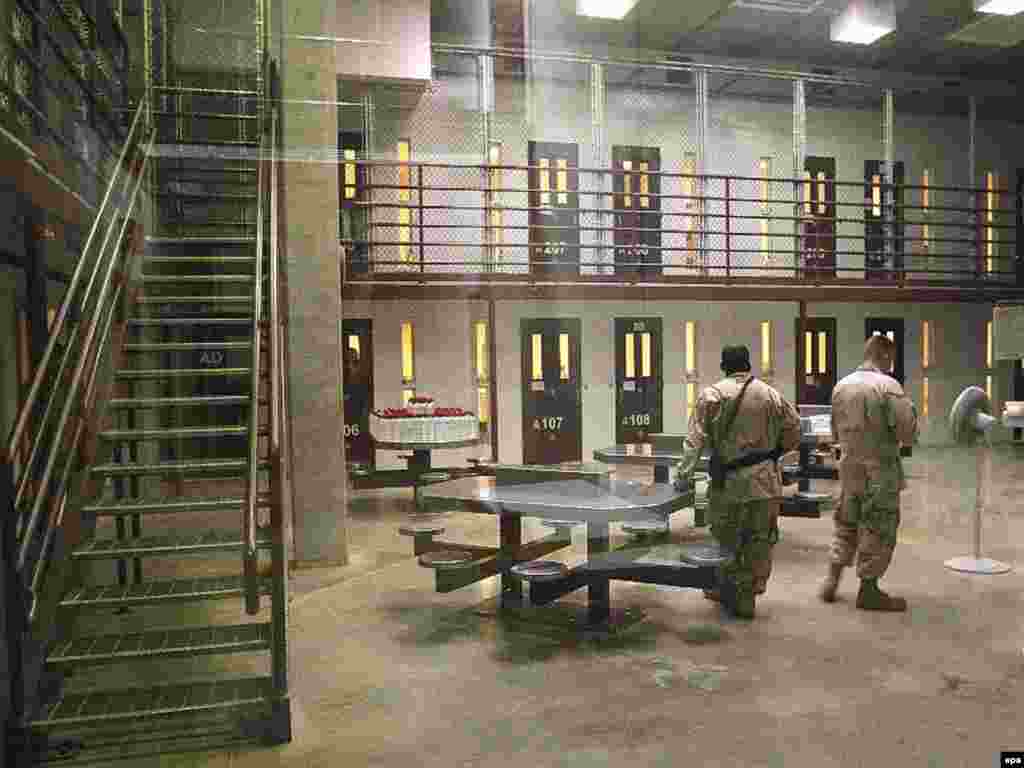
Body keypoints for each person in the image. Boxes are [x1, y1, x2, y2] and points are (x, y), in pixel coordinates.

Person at [674, 345, 801, 619]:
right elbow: (794, 428)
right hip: (765, 480)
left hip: (728, 482)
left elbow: (694, 441)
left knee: (726, 536)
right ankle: (749, 594)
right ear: (748, 364)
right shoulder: (770, 394)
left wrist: (683, 476)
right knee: (760, 538)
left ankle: (726, 588)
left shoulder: (712, 396)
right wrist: (775, 453)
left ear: (723, 366)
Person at [820, 334, 918, 611]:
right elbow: (907, 433)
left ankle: (832, 580)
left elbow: (834, 432)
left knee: (846, 523)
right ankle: (869, 590)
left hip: (850, 468)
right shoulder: (889, 386)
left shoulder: (842, 386)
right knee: (879, 526)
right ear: (885, 356)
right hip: (880, 470)